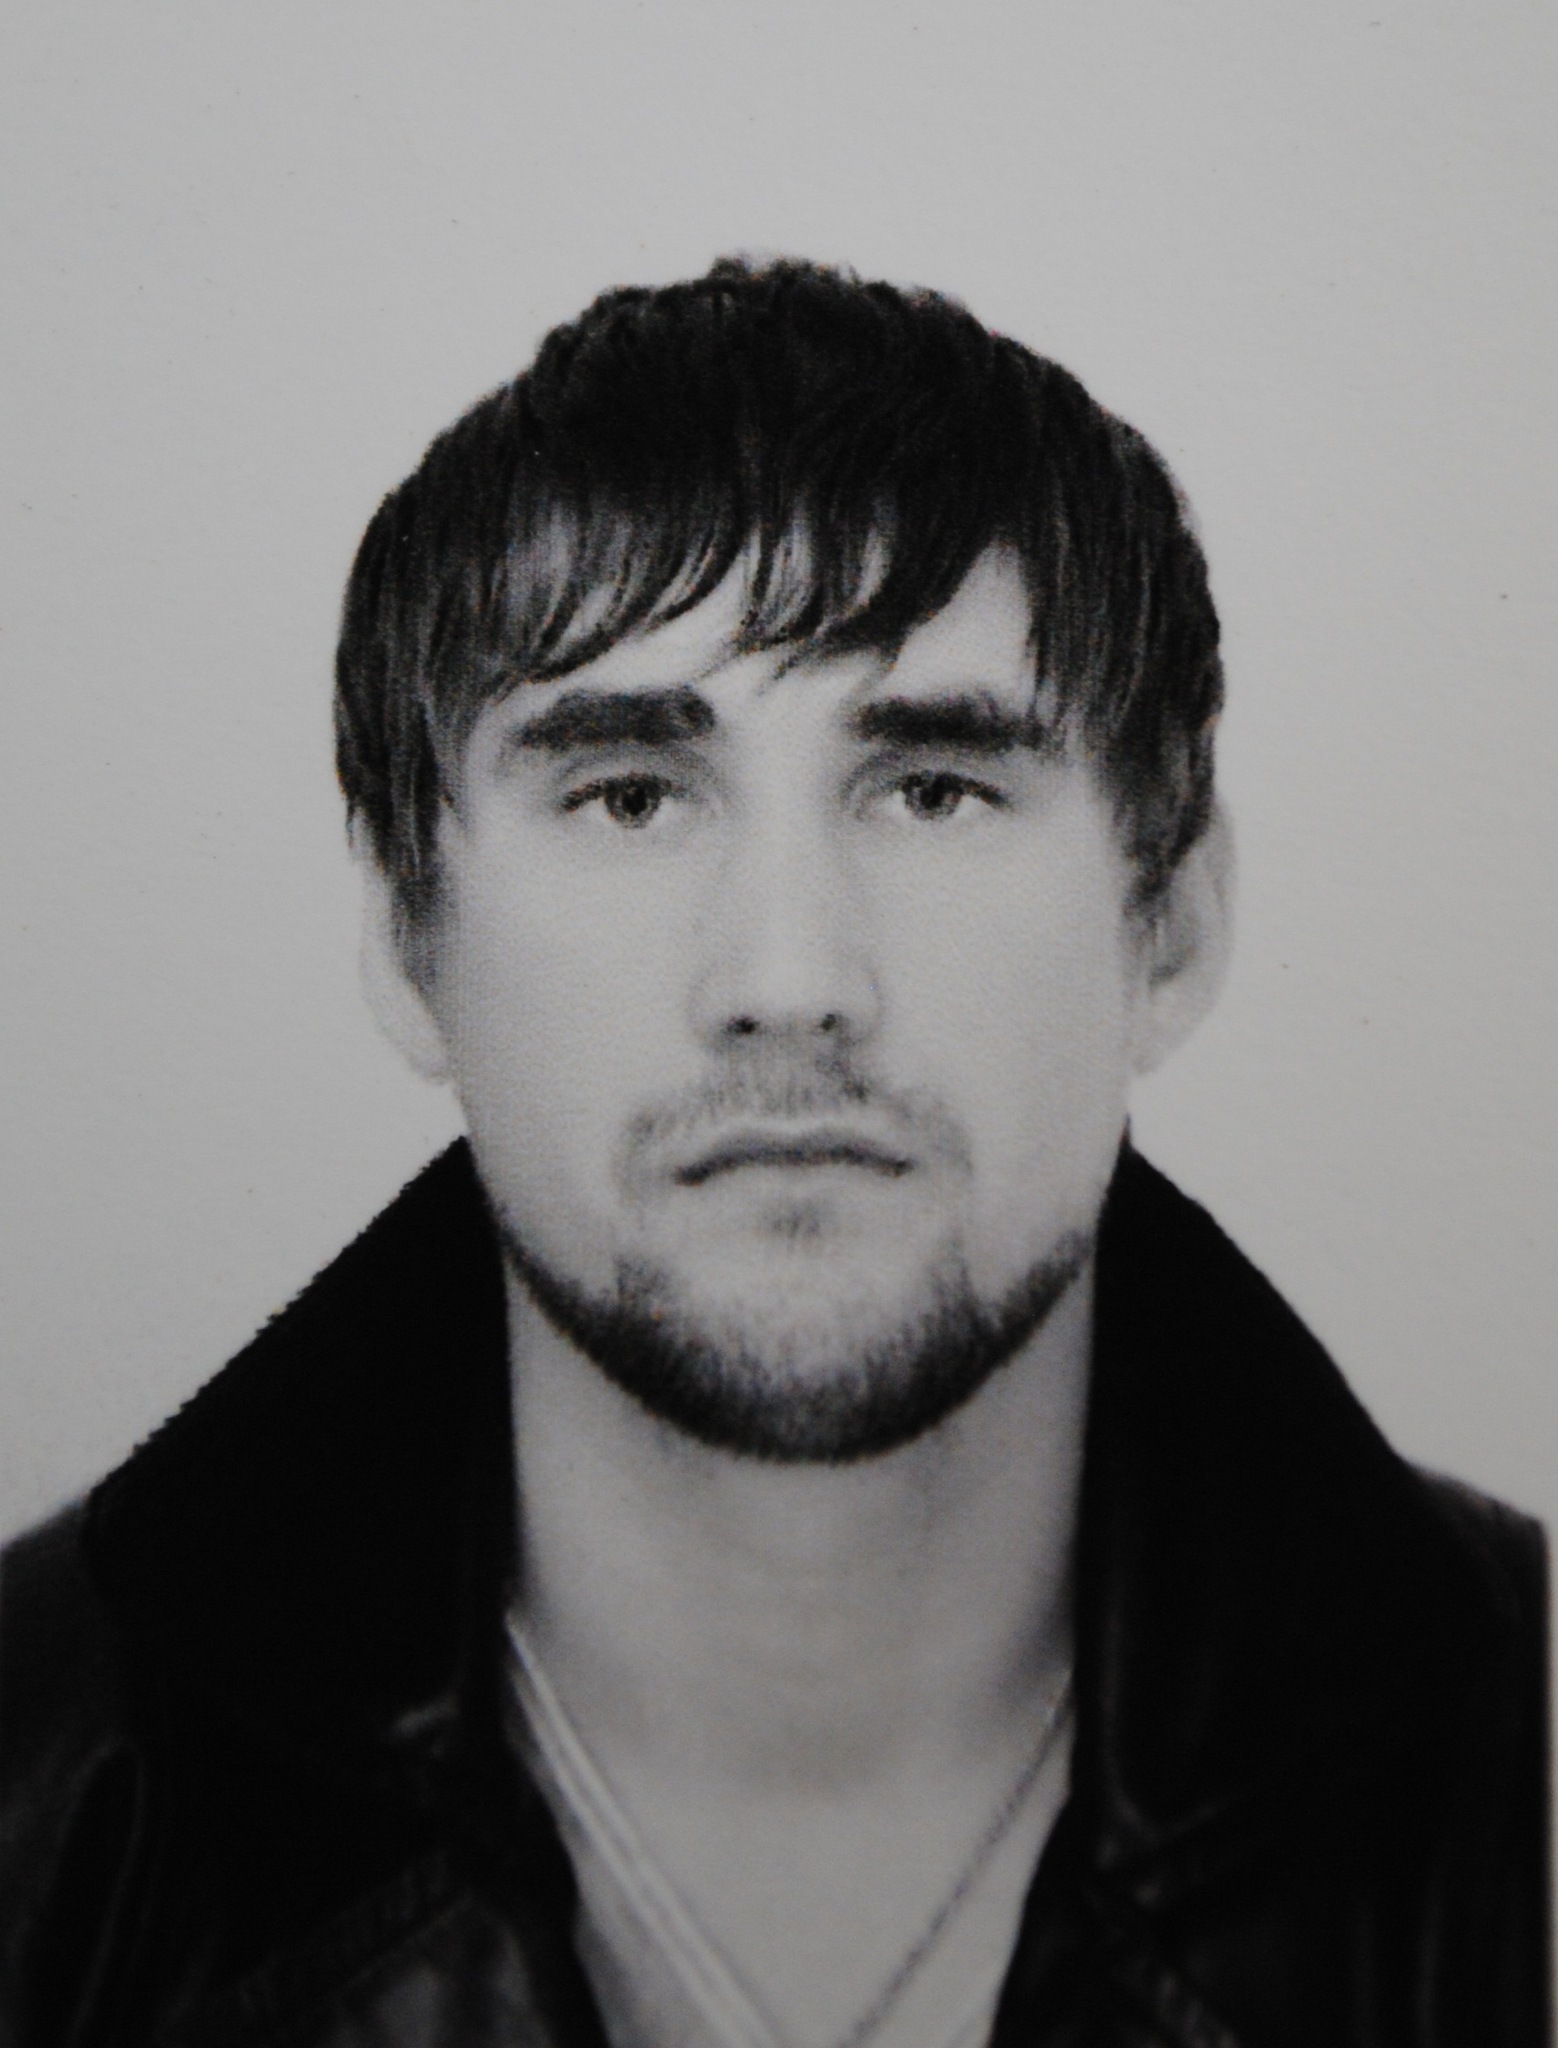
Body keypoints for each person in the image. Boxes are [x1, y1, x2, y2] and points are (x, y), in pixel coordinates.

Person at [0, 257, 1546, 2047]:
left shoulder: (1520, 1762)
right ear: (413, 945)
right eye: (629, 797)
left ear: (1173, 923)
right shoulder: (35, 1799)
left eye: (933, 790)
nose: (790, 981)